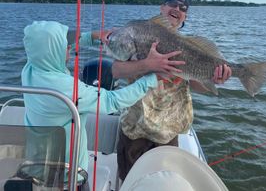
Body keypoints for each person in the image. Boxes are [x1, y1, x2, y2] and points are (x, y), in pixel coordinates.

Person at [21, 20, 183, 190]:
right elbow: (112, 101)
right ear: (52, 50)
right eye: (64, 44)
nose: (70, 46)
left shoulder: (31, 68)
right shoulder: (64, 88)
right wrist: (151, 77)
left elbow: (67, 42)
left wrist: (93, 37)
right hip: (66, 174)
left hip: (37, 162)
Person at [115, 0, 232, 182]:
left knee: (165, 182)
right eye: (172, 4)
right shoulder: (138, 33)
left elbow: (196, 85)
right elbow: (116, 70)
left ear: (185, 17)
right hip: (136, 127)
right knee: (131, 182)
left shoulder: (187, 48)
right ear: (162, 8)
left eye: (183, 8)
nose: (177, 9)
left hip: (169, 131)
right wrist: (148, 65)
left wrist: (214, 79)